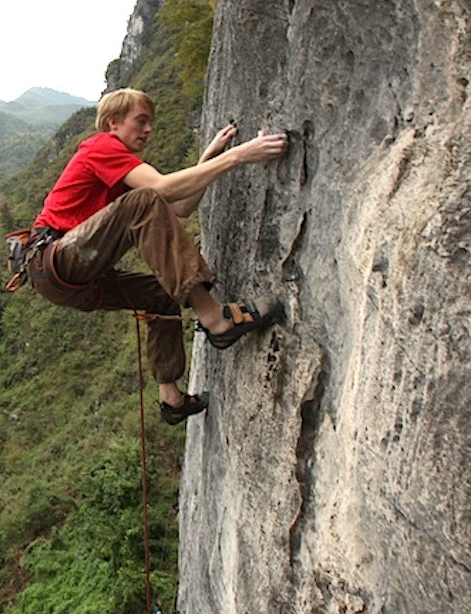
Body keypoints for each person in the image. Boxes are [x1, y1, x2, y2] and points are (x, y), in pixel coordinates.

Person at [25, 88, 287, 424]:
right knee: (144, 202)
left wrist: (207, 160)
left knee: (163, 296)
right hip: (55, 256)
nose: (148, 129)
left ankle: (171, 397)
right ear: (113, 123)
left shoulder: (121, 167)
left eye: (151, 122)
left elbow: (179, 207)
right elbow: (157, 193)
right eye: (141, 120)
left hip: (64, 276)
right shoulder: (101, 146)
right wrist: (239, 156)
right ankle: (217, 320)